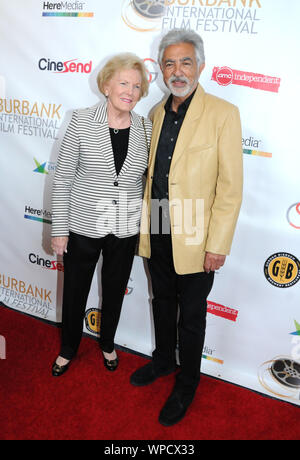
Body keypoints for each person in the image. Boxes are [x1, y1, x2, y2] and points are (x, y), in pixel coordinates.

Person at [130, 29, 243, 426]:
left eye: (185, 62)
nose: (177, 71)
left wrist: (218, 243)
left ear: (201, 66)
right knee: (162, 302)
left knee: (191, 314)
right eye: (169, 63)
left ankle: (188, 381)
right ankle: (163, 360)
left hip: (198, 235)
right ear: (160, 69)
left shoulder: (223, 113)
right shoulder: (155, 113)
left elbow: (230, 188)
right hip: (158, 225)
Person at [51, 53, 151, 377]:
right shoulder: (80, 120)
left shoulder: (146, 129)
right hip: (82, 226)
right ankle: (68, 348)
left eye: (137, 86)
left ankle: (107, 342)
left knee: (115, 289)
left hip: (124, 229)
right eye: (123, 82)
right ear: (107, 85)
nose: (130, 91)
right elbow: (64, 177)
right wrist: (60, 230)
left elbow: (147, 181)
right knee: (75, 292)